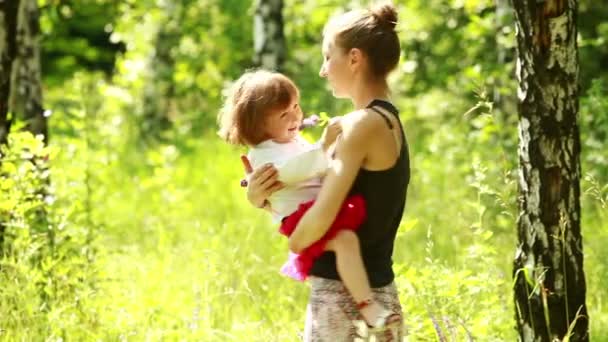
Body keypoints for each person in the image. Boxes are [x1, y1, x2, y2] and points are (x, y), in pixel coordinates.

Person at [243, 2, 410, 340]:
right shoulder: (388, 120)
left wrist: (295, 241)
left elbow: (317, 219)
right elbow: (305, 187)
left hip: (343, 300)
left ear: (354, 58)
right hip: (379, 292)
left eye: (327, 56)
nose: (322, 70)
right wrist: (259, 194)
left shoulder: (360, 126)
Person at [218, 69, 399, 329]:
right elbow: (293, 171)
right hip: (299, 219)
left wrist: (338, 150)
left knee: (349, 239)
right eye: (284, 114)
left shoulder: (290, 140)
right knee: (345, 241)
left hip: (313, 210)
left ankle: (367, 304)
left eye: (296, 106)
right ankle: (368, 307)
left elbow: (317, 165)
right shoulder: (262, 154)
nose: (296, 116)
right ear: (258, 126)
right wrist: (325, 146)